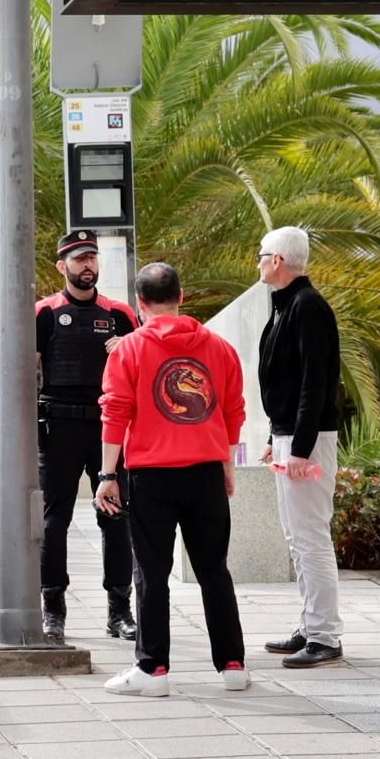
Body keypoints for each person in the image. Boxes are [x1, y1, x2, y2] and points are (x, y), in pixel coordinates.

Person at [95, 262, 249, 697]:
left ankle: (152, 669)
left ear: (140, 305)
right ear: (182, 297)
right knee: (213, 570)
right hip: (205, 475)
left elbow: (115, 412)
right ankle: (233, 664)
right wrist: (227, 464)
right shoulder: (219, 349)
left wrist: (108, 474)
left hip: (150, 476)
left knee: (152, 573)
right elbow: (232, 411)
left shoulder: (127, 350)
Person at [36, 230, 139, 643]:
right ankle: (54, 611)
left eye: (92, 258)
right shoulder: (44, 312)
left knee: (115, 518)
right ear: (62, 266)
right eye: (79, 259)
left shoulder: (120, 315)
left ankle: (119, 611)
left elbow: (145, 367)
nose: (87, 266)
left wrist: (128, 346)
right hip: (58, 427)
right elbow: (24, 371)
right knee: (53, 521)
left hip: (107, 430)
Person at [256, 226, 344, 668]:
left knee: (311, 537)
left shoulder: (307, 306)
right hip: (291, 434)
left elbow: (315, 382)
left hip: (308, 438)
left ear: (278, 261)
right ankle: (311, 626)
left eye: (261, 255)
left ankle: (325, 635)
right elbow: (285, 381)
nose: (256, 262)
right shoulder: (286, 306)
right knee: (297, 537)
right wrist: (277, 438)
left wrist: (301, 448)